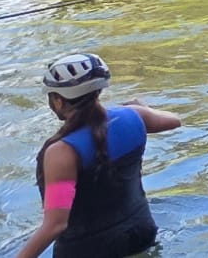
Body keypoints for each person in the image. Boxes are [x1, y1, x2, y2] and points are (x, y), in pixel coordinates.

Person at [15, 54, 182, 258]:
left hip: (88, 251)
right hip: (141, 236)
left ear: (58, 100)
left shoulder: (61, 151)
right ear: (98, 91)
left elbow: (56, 225)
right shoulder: (135, 116)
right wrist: (144, 108)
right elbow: (174, 120)